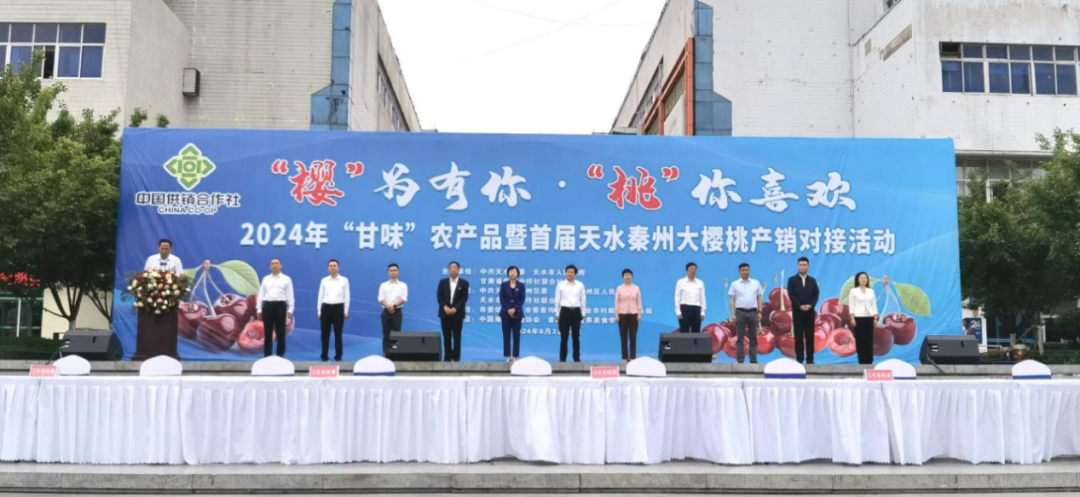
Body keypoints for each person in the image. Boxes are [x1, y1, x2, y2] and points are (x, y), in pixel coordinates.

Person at [256, 258, 294, 357]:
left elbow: (290, 295)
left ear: (281, 266)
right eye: (272, 263)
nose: (275, 265)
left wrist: (290, 309)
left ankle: (280, 356)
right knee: (267, 332)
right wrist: (259, 308)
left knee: (280, 332)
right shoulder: (266, 279)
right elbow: (261, 294)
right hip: (267, 306)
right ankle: (267, 356)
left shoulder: (286, 279)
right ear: (270, 266)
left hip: (280, 306)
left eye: (277, 263)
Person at [787, 257, 820, 364]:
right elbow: (791, 294)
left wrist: (811, 306)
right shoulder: (792, 280)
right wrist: (799, 306)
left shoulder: (813, 280)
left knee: (810, 336)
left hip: (810, 312)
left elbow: (816, 295)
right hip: (797, 312)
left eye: (805, 265)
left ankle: (810, 360)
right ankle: (799, 359)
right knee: (798, 336)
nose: (802, 267)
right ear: (798, 266)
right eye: (801, 265)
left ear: (808, 266)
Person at [728, 263, 763, 364]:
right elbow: (732, 300)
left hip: (753, 312)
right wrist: (733, 314)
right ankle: (740, 360)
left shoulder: (756, 283)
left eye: (747, 270)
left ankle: (753, 360)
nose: (745, 272)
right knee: (740, 338)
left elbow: (759, 298)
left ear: (749, 271)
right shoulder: (735, 284)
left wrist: (760, 311)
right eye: (742, 270)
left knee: (753, 338)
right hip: (740, 312)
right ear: (739, 272)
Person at [317, 259, 350, 362]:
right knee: (325, 334)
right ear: (328, 268)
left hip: (338, 308)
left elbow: (347, 296)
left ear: (338, 267)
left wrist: (346, 311)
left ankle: (338, 355)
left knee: (338, 334)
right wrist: (319, 311)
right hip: (326, 307)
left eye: (335, 265)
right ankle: (324, 355)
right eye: (331, 266)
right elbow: (320, 296)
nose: (333, 267)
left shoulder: (344, 280)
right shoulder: (324, 280)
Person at [437, 261, 470, 362]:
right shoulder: (442, 282)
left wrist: (455, 308)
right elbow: (439, 296)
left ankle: (456, 358)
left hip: (457, 314)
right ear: (448, 269)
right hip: (445, 313)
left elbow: (464, 298)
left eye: (455, 267)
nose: (453, 269)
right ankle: (447, 357)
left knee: (457, 337)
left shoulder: (464, 283)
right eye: (451, 267)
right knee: (446, 337)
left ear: (459, 269)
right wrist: (444, 307)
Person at [554, 264, 586, 362]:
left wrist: (583, 313)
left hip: (576, 312)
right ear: (565, 273)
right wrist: (557, 313)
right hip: (564, 312)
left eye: (572, 272)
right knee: (564, 337)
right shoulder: (560, 285)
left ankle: (576, 358)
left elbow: (583, 300)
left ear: (575, 273)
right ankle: (562, 358)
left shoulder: (580, 285)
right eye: (568, 272)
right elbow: (557, 300)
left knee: (576, 336)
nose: (569, 273)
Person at [848, 271, 880, 365]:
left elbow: (873, 305)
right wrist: (852, 318)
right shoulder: (853, 291)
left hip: (869, 317)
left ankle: (869, 361)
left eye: (865, 278)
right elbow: (851, 305)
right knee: (860, 340)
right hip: (858, 317)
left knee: (869, 339)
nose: (863, 280)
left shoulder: (871, 291)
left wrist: (875, 318)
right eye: (861, 278)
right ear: (858, 280)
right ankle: (862, 361)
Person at [378, 263, 408, 355]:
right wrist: (388, 306)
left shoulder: (403, 285)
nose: (393, 272)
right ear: (388, 272)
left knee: (397, 334)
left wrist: (393, 306)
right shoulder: (383, 285)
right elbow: (380, 298)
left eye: (395, 270)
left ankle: (395, 353)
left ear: (398, 272)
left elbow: (404, 298)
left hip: (397, 312)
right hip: (386, 312)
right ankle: (386, 353)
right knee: (386, 334)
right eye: (391, 270)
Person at [499, 265, 526, 363]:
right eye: (510, 271)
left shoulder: (521, 285)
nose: (512, 273)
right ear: (508, 273)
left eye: (514, 271)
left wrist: (514, 309)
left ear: (518, 273)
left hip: (517, 314)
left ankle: (515, 356)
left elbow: (522, 299)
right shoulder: (504, 285)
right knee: (506, 335)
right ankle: (507, 355)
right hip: (505, 314)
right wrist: (508, 309)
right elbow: (502, 298)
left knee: (516, 335)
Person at [615, 269, 642, 362]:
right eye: (626, 275)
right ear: (623, 277)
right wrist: (616, 314)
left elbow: (639, 302)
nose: (627, 277)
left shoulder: (636, 288)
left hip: (634, 314)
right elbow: (617, 302)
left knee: (633, 337)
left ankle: (633, 357)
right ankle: (625, 357)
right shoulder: (619, 288)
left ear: (632, 277)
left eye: (629, 275)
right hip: (622, 314)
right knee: (623, 337)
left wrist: (639, 314)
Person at [675, 262, 706, 333]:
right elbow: (677, 297)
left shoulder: (700, 283)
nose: (693, 271)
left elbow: (702, 298)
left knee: (696, 331)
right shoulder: (680, 282)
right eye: (691, 269)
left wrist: (703, 312)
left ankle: (696, 341)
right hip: (684, 308)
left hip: (696, 308)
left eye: (695, 269)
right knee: (684, 330)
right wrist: (678, 311)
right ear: (687, 270)